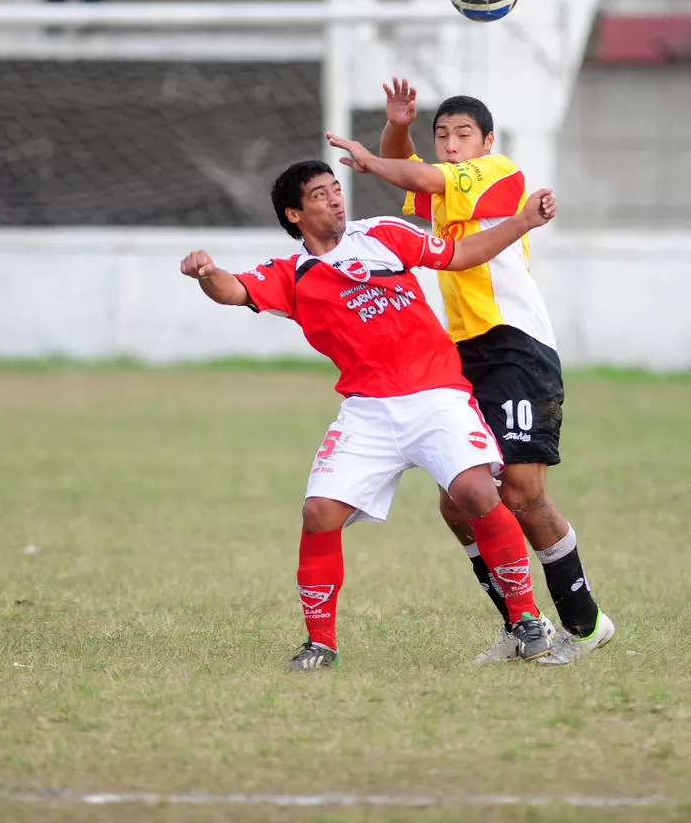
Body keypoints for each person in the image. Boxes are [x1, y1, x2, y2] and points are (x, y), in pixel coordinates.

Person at [181, 159, 560, 670]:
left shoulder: (383, 234)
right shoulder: (290, 274)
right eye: (320, 194)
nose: (336, 198)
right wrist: (206, 272)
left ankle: (527, 620)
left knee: (475, 492)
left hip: (436, 395)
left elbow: (460, 253)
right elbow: (233, 289)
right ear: (294, 213)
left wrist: (521, 222)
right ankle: (321, 644)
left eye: (337, 189)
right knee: (319, 513)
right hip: (368, 411)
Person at [324, 80, 614, 666]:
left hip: (516, 346)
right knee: (459, 501)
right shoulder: (448, 196)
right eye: (442, 136)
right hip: (463, 356)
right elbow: (412, 172)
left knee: (522, 492)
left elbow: (416, 176)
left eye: (462, 136)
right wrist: (399, 127)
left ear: (486, 142)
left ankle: (585, 627)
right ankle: (521, 627)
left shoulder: (496, 174)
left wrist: (372, 160)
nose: (451, 146)